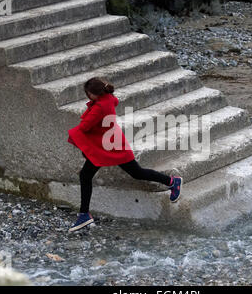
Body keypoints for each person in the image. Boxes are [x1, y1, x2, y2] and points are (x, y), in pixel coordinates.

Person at [67, 77, 182, 232]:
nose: (88, 97)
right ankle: (84, 215)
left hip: (111, 147)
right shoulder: (108, 99)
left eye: (88, 94)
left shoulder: (100, 106)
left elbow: (85, 127)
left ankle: (173, 182)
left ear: (94, 94)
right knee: (87, 175)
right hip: (109, 145)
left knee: (136, 172)